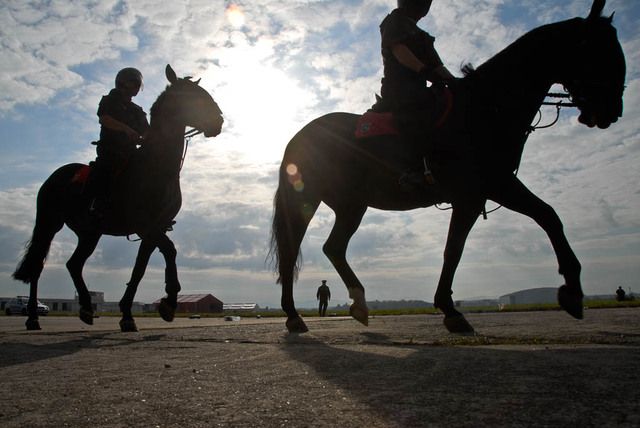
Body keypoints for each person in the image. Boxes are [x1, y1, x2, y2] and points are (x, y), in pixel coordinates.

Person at [379, 0, 455, 186]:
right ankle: (415, 168)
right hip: (400, 90)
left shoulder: (423, 36)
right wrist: (423, 70)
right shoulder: (393, 22)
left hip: (420, 88)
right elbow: (399, 50)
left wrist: (457, 84)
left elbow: (438, 67)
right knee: (416, 113)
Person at [87, 67, 150, 216]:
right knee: (106, 170)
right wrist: (127, 130)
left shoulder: (137, 110)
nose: (135, 87)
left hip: (130, 152)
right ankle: (96, 204)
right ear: (122, 83)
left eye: (137, 84)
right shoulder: (110, 100)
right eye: (133, 83)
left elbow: (147, 131)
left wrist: (150, 139)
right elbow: (105, 119)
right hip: (111, 149)